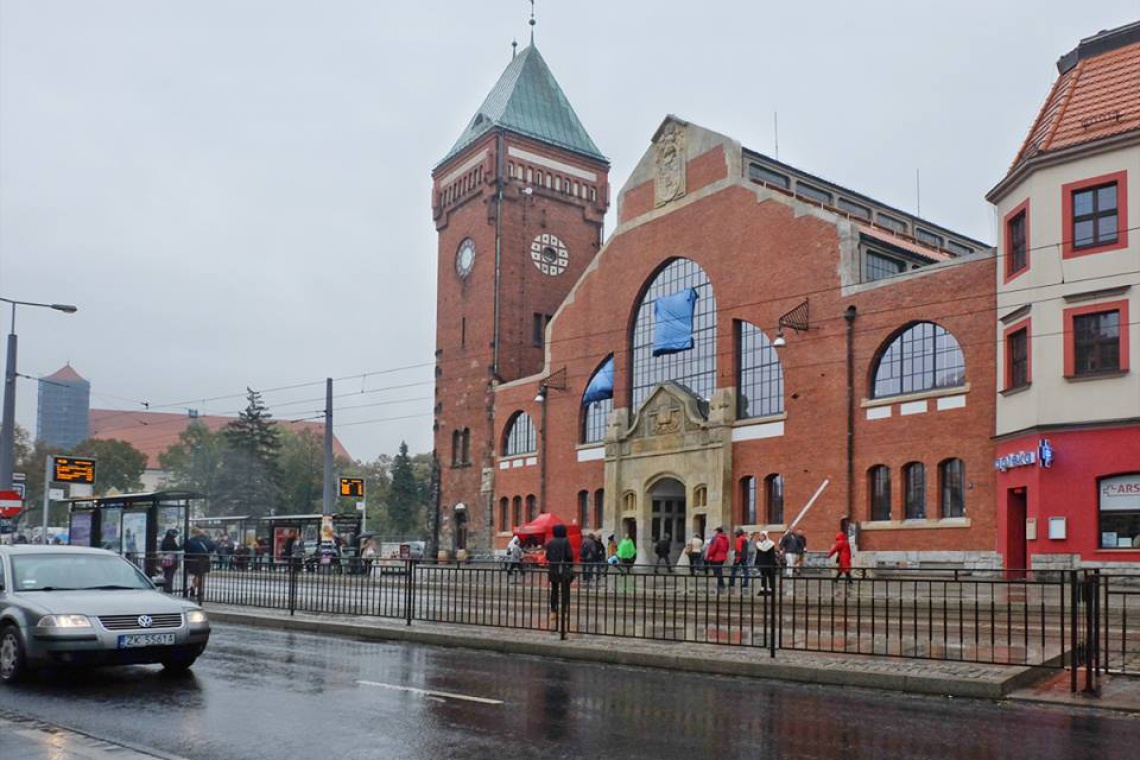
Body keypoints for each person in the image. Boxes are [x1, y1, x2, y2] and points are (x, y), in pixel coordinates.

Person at [544, 523, 575, 633]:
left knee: (554, 590)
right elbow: (570, 555)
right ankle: (565, 609)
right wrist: (570, 564)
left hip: (553, 570)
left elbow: (547, 556)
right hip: (563, 570)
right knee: (565, 590)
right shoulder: (565, 541)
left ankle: (553, 611)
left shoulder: (550, 542)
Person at [183, 528, 215, 603]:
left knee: (197, 575)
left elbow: (186, 548)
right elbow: (212, 547)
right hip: (204, 559)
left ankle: (194, 588)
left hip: (193, 560)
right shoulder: (206, 539)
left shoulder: (191, 540)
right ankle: (194, 588)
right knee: (200, 575)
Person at [705, 527, 730, 593]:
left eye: (715, 531)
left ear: (717, 532)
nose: (714, 532)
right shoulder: (726, 538)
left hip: (716, 557)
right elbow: (727, 547)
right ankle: (720, 583)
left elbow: (713, 548)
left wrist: (708, 556)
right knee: (719, 570)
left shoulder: (716, 538)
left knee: (718, 570)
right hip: (723, 557)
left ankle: (721, 584)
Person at [728, 527, 750, 592]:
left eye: (736, 533)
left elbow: (738, 549)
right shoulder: (745, 539)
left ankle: (732, 583)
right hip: (744, 557)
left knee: (733, 570)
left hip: (739, 557)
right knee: (746, 571)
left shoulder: (739, 539)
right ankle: (745, 583)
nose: (735, 534)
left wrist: (737, 558)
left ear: (738, 533)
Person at [160, 528, 180, 594]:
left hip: (165, 561)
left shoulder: (165, 540)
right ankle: (168, 590)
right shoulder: (171, 541)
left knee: (166, 575)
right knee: (169, 576)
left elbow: (162, 549)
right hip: (171, 561)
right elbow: (176, 549)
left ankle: (166, 589)